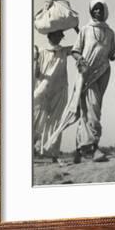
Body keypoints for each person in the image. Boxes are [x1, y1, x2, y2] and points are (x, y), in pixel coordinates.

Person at [44, 0, 115, 163]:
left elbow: (111, 54)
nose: (98, 12)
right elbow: (76, 51)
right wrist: (82, 61)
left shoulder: (110, 32)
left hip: (103, 73)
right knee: (92, 109)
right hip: (87, 74)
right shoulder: (85, 30)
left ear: (105, 11)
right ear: (91, 12)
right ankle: (93, 148)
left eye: (100, 9)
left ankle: (80, 149)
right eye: (95, 10)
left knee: (92, 109)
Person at [33, 30, 73, 165]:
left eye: (61, 35)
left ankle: (54, 155)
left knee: (56, 123)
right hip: (43, 91)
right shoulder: (42, 52)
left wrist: (77, 28)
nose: (60, 37)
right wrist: (34, 61)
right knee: (37, 122)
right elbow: (37, 75)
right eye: (57, 34)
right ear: (50, 36)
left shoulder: (64, 51)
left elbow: (81, 45)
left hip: (60, 90)